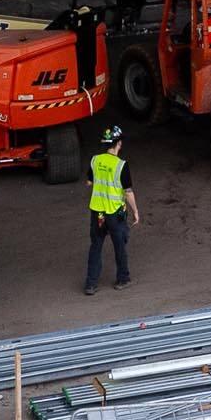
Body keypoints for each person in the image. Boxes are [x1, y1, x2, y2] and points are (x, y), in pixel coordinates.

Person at [83, 125, 139, 295]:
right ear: (118, 144)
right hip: (114, 214)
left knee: (96, 246)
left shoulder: (95, 160)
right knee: (119, 246)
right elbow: (128, 193)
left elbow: (89, 183)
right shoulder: (121, 166)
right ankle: (123, 279)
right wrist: (136, 211)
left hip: (97, 214)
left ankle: (91, 284)